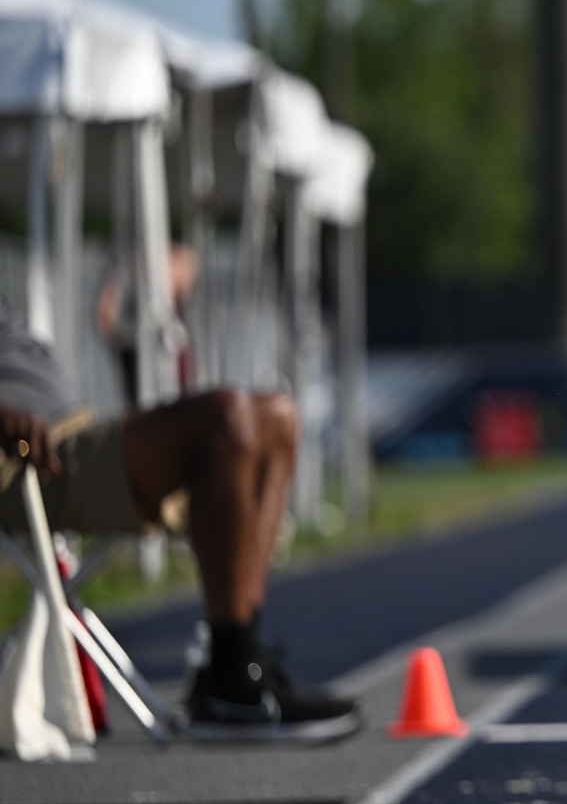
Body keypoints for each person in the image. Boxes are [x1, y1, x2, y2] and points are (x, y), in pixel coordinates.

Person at [0, 297, 361, 742]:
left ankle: (237, 660)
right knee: (223, 415)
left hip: (70, 435)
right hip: (26, 459)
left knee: (277, 416)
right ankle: (231, 677)